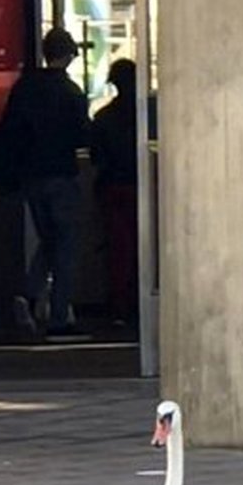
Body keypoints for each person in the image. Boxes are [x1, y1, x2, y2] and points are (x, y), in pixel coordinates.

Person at [0, 28, 89, 339]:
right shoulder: (71, 92)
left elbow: (8, 130)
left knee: (49, 239)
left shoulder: (24, 87)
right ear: (68, 55)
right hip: (61, 174)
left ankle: (27, 293)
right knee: (65, 244)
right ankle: (59, 317)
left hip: (31, 176)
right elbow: (83, 135)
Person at [90, 58, 138, 328]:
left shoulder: (103, 118)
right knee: (143, 244)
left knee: (118, 248)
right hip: (140, 185)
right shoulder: (150, 114)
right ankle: (139, 298)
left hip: (111, 187)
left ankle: (119, 304)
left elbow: (96, 155)